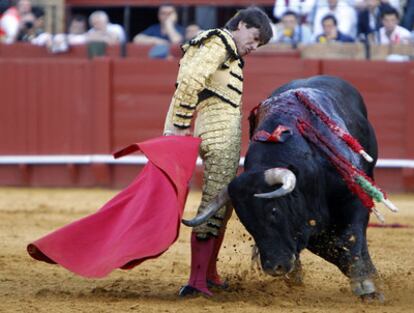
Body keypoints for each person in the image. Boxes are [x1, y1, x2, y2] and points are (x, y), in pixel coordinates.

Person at [162, 6, 273, 297]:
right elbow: (190, 81)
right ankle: (196, 280)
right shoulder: (217, 41)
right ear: (242, 24)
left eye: (258, 45)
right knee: (214, 202)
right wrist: (182, 123)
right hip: (212, 128)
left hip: (220, 129)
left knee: (223, 202)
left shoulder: (228, 50)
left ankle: (208, 273)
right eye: (253, 37)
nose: (253, 46)